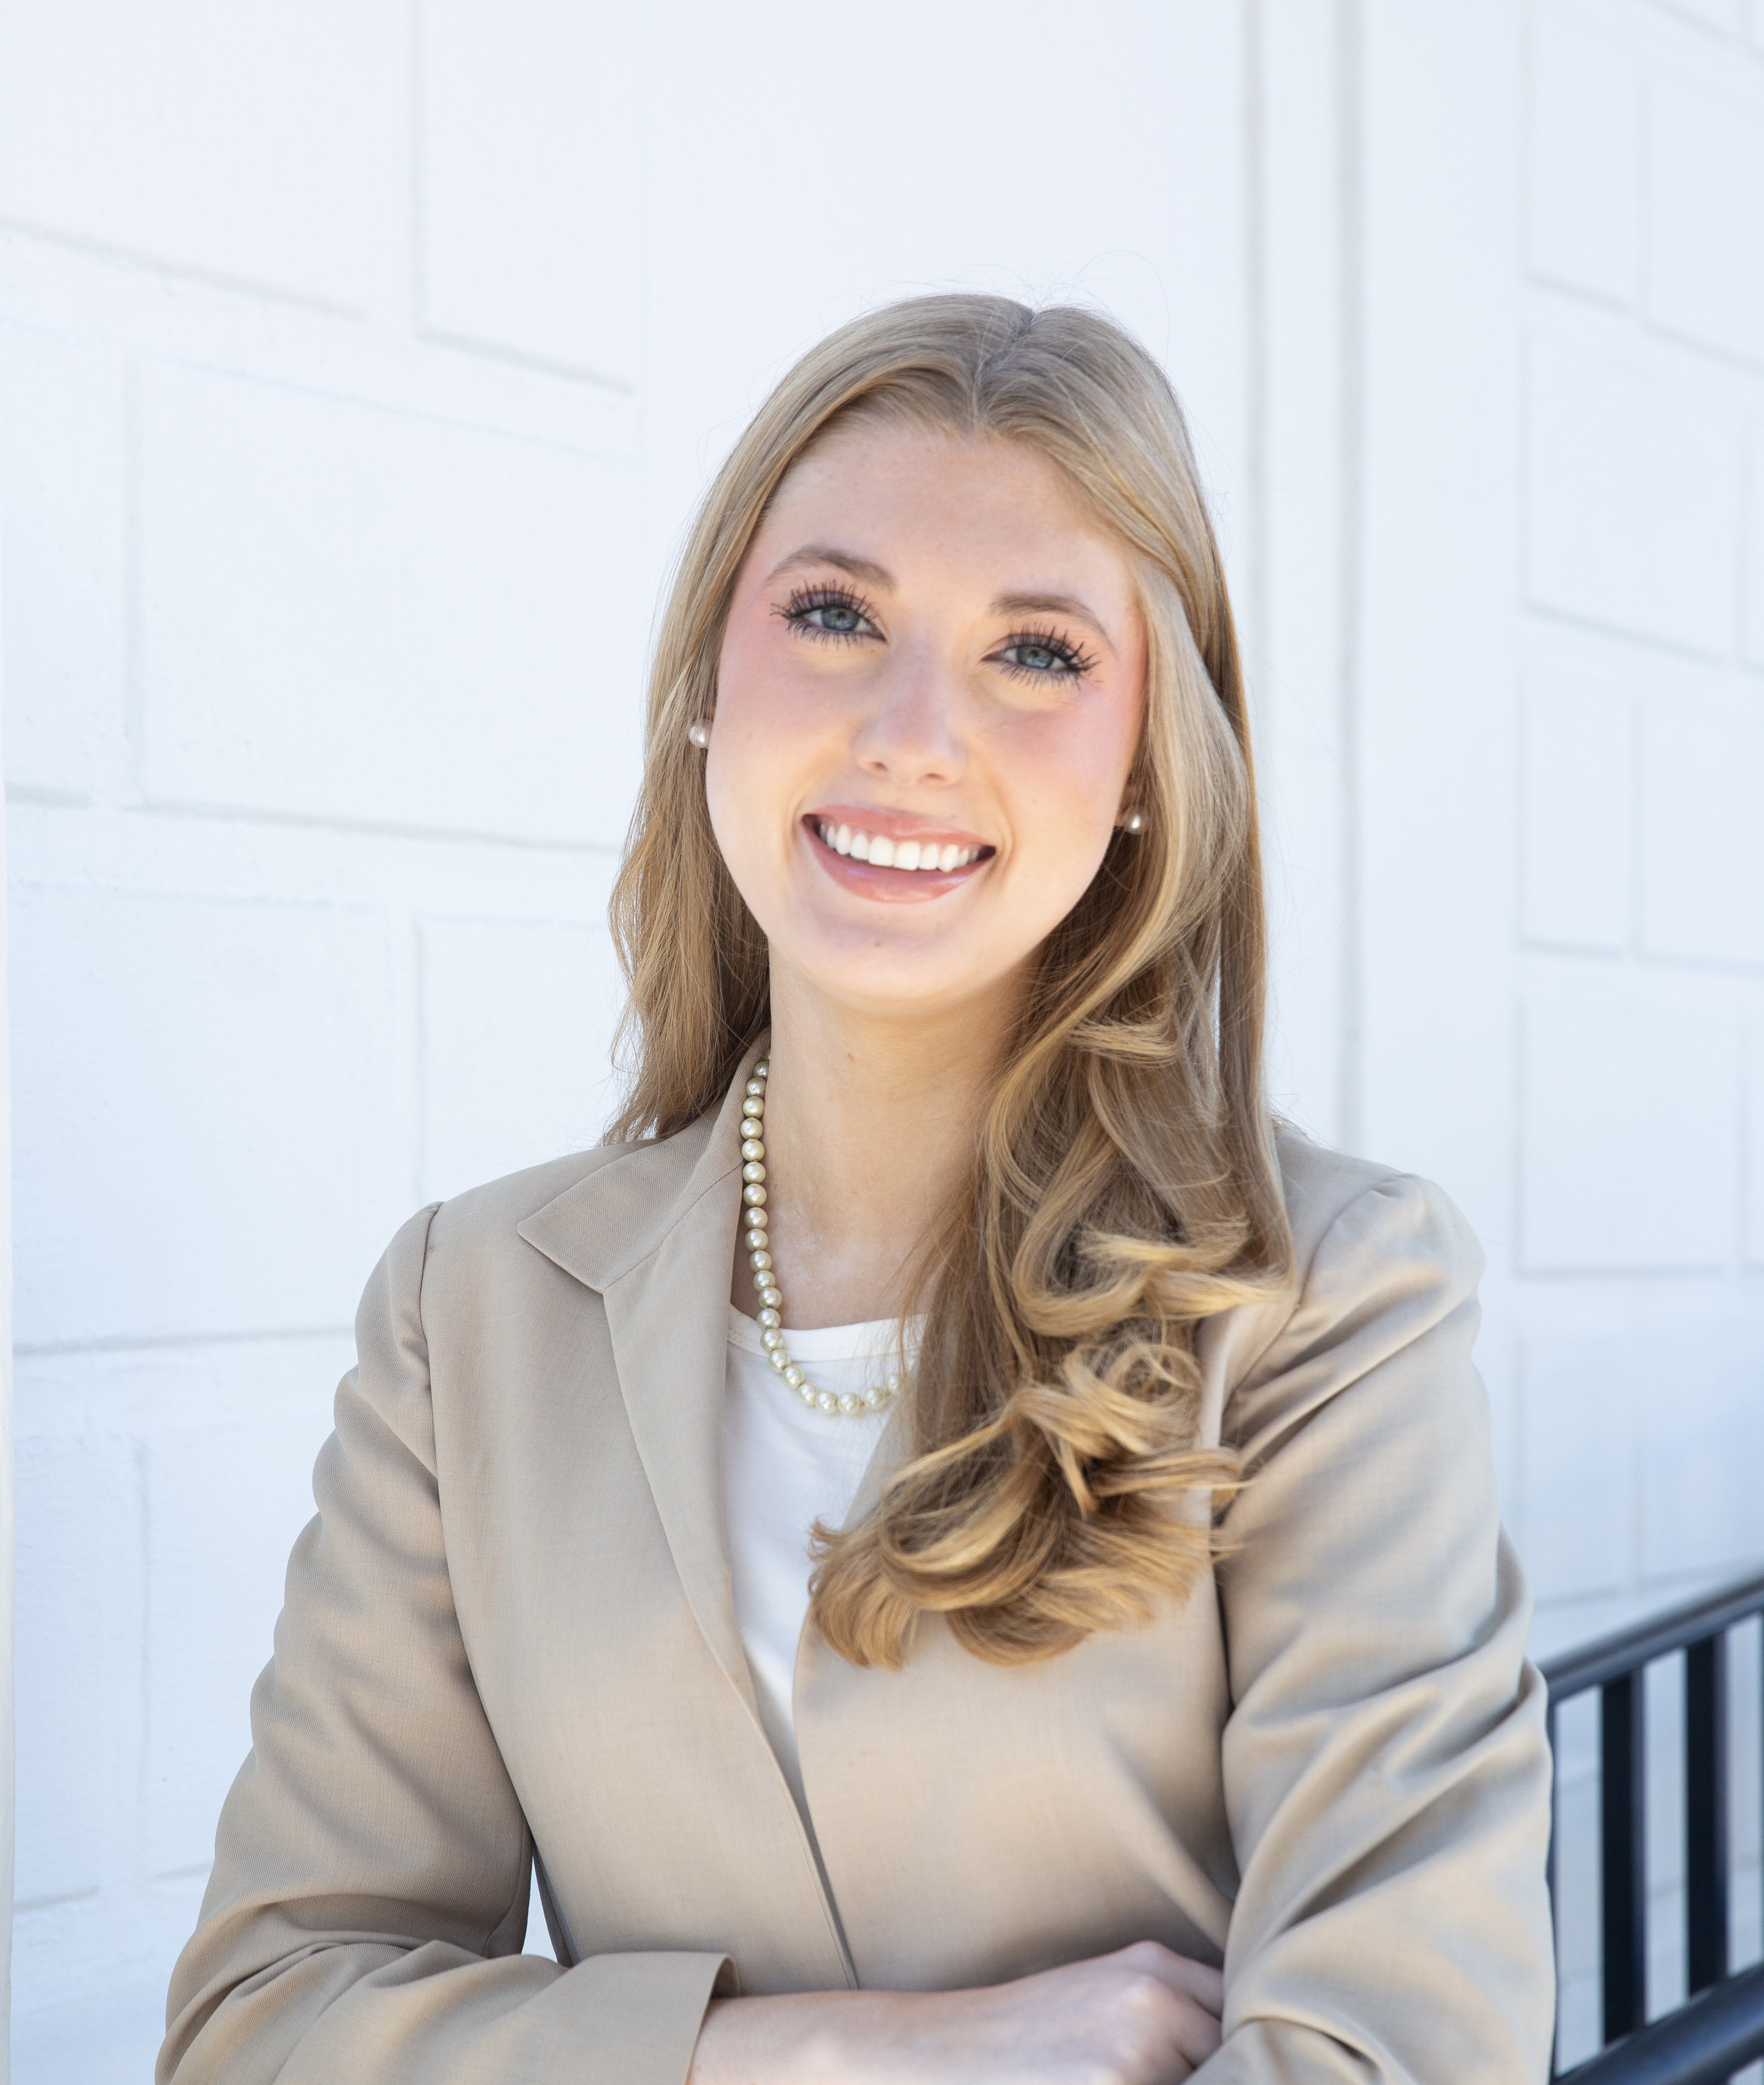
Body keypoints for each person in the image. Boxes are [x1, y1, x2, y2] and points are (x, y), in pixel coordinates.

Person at [159, 294, 1554, 2085]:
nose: (911, 731)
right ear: (708, 685)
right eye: (833, 614)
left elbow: (1401, 2050)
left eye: (1036, 653)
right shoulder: (469, 1310)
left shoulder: (1323, 1300)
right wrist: (835, 2054)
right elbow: (261, 2027)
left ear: (1146, 769)